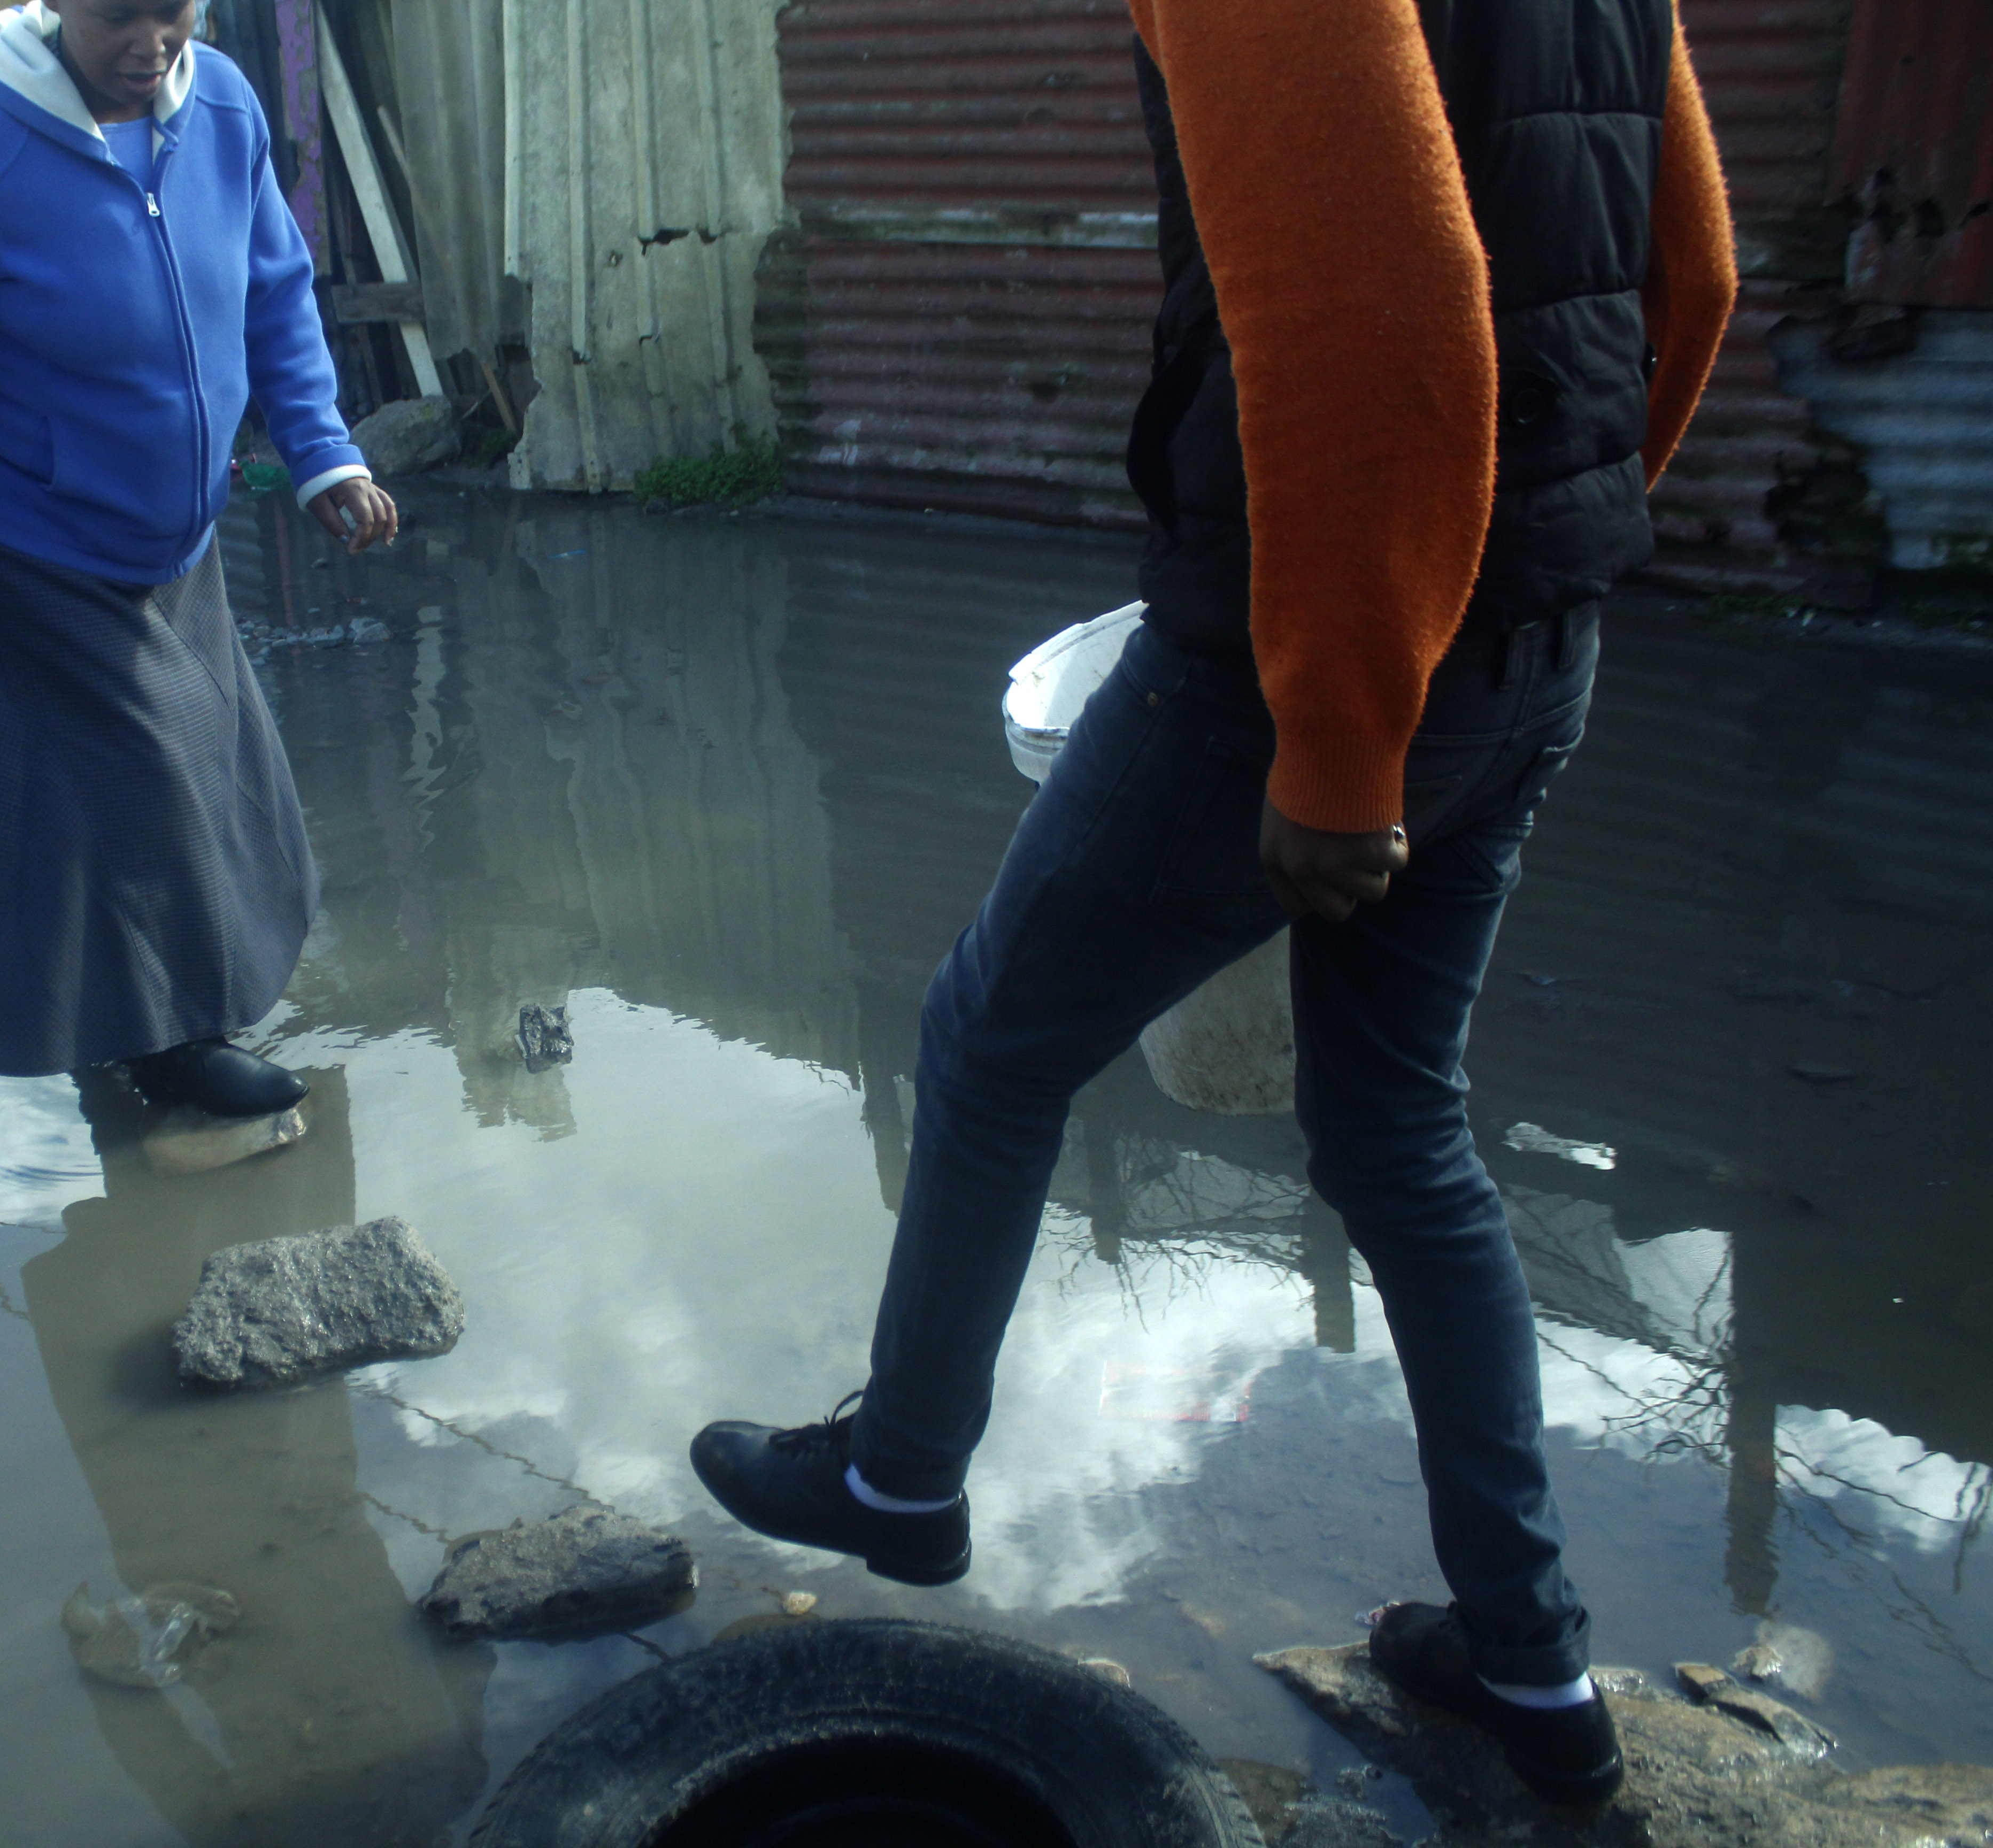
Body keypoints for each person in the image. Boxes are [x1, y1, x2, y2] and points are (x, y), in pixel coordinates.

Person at [688, 0, 1737, 1813]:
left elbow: (1381, 297)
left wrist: (1339, 729)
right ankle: (1527, 1652)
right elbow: (1694, 272)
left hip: (1290, 640)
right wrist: (1538, 557)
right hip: (1537, 624)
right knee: (1403, 1130)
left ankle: (903, 1475)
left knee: (990, 1034)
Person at [0, 0, 395, 1112]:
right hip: (25, 534)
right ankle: (170, 1048)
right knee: (151, 791)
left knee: (191, 781)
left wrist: (324, 452)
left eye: (171, 11)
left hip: (174, 532)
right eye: (117, 19)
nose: (151, 43)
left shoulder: (223, 105)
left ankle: (45, 968)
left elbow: (273, 290)